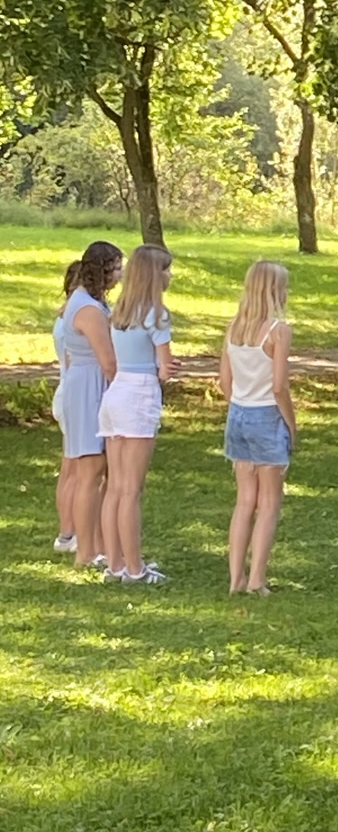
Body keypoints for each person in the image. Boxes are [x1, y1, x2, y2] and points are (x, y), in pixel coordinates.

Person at [97, 243, 174, 585]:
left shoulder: (120, 312)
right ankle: (135, 568)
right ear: (153, 275)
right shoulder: (157, 314)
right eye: (166, 269)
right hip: (140, 393)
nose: (169, 275)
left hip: (115, 394)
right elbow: (165, 366)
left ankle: (116, 563)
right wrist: (169, 368)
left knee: (115, 486)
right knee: (131, 489)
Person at [220, 259, 296, 595]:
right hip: (267, 414)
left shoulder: (234, 326)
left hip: (238, 413)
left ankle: (235, 578)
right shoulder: (278, 330)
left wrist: (239, 402)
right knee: (268, 503)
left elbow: (225, 381)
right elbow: (280, 386)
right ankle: (257, 579)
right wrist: (291, 425)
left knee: (243, 500)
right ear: (275, 290)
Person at [55, 239, 122, 571]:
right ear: (103, 268)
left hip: (85, 382)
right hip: (89, 388)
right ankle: (85, 551)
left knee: (94, 471)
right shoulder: (88, 309)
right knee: (90, 471)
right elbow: (108, 361)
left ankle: (98, 547)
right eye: (117, 268)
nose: (120, 276)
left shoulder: (86, 302)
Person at [51, 260, 83, 554]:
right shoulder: (76, 319)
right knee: (75, 468)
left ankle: (67, 532)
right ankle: (69, 532)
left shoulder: (64, 318)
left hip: (66, 393)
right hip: (74, 395)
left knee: (69, 467)